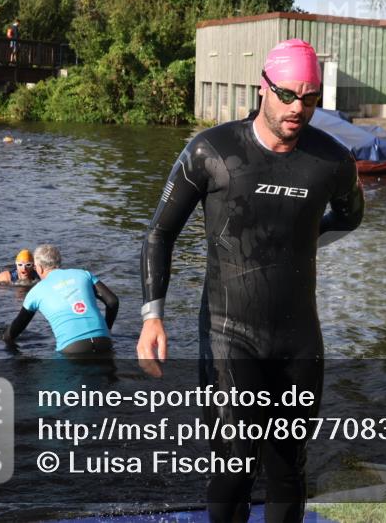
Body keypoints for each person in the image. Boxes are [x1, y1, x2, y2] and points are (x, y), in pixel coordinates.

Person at [137, 38, 364, 521]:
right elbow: (159, 234)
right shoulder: (212, 151)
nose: (297, 108)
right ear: (263, 88)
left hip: (299, 339)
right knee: (234, 466)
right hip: (228, 333)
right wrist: (152, 317)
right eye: (287, 95)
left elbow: (350, 217)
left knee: (289, 466)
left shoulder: (332, 162)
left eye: (309, 98)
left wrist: (305, 242)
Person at [3, 244, 119, 355]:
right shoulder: (84, 274)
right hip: (104, 342)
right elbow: (112, 301)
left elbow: (16, 329)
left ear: (39, 267)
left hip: (72, 348)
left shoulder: (36, 291)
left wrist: (2, 339)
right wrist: (107, 329)